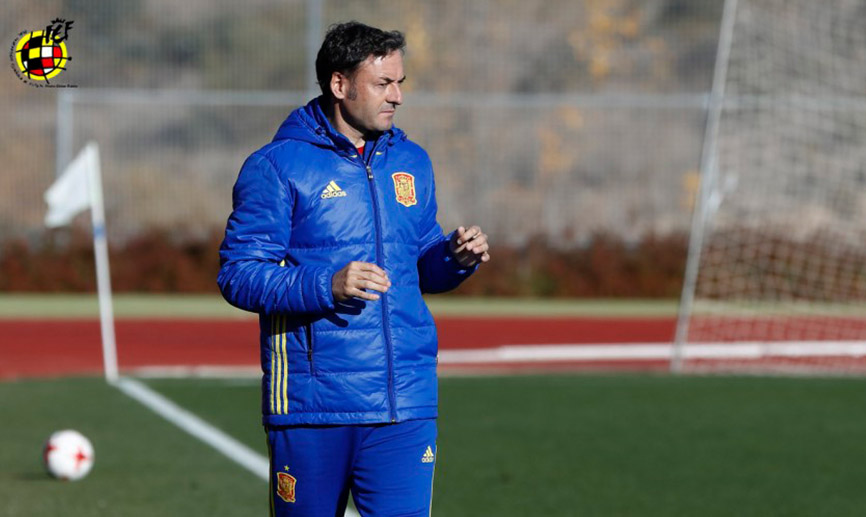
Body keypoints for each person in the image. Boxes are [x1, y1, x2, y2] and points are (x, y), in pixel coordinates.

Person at [217, 21, 489, 516]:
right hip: (313, 405)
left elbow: (422, 266)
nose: (397, 96)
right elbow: (239, 274)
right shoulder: (276, 166)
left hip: (405, 403)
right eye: (383, 83)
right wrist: (327, 284)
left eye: (399, 82)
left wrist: (453, 257)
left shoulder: (412, 161)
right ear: (340, 85)